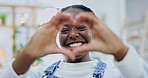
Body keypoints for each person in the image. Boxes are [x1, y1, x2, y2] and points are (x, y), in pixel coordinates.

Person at [1, 4, 148, 78]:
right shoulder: (39, 75)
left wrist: (121, 51)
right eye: (65, 30)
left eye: (81, 28)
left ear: (94, 32)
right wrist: (26, 55)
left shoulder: (113, 75)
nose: (72, 34)